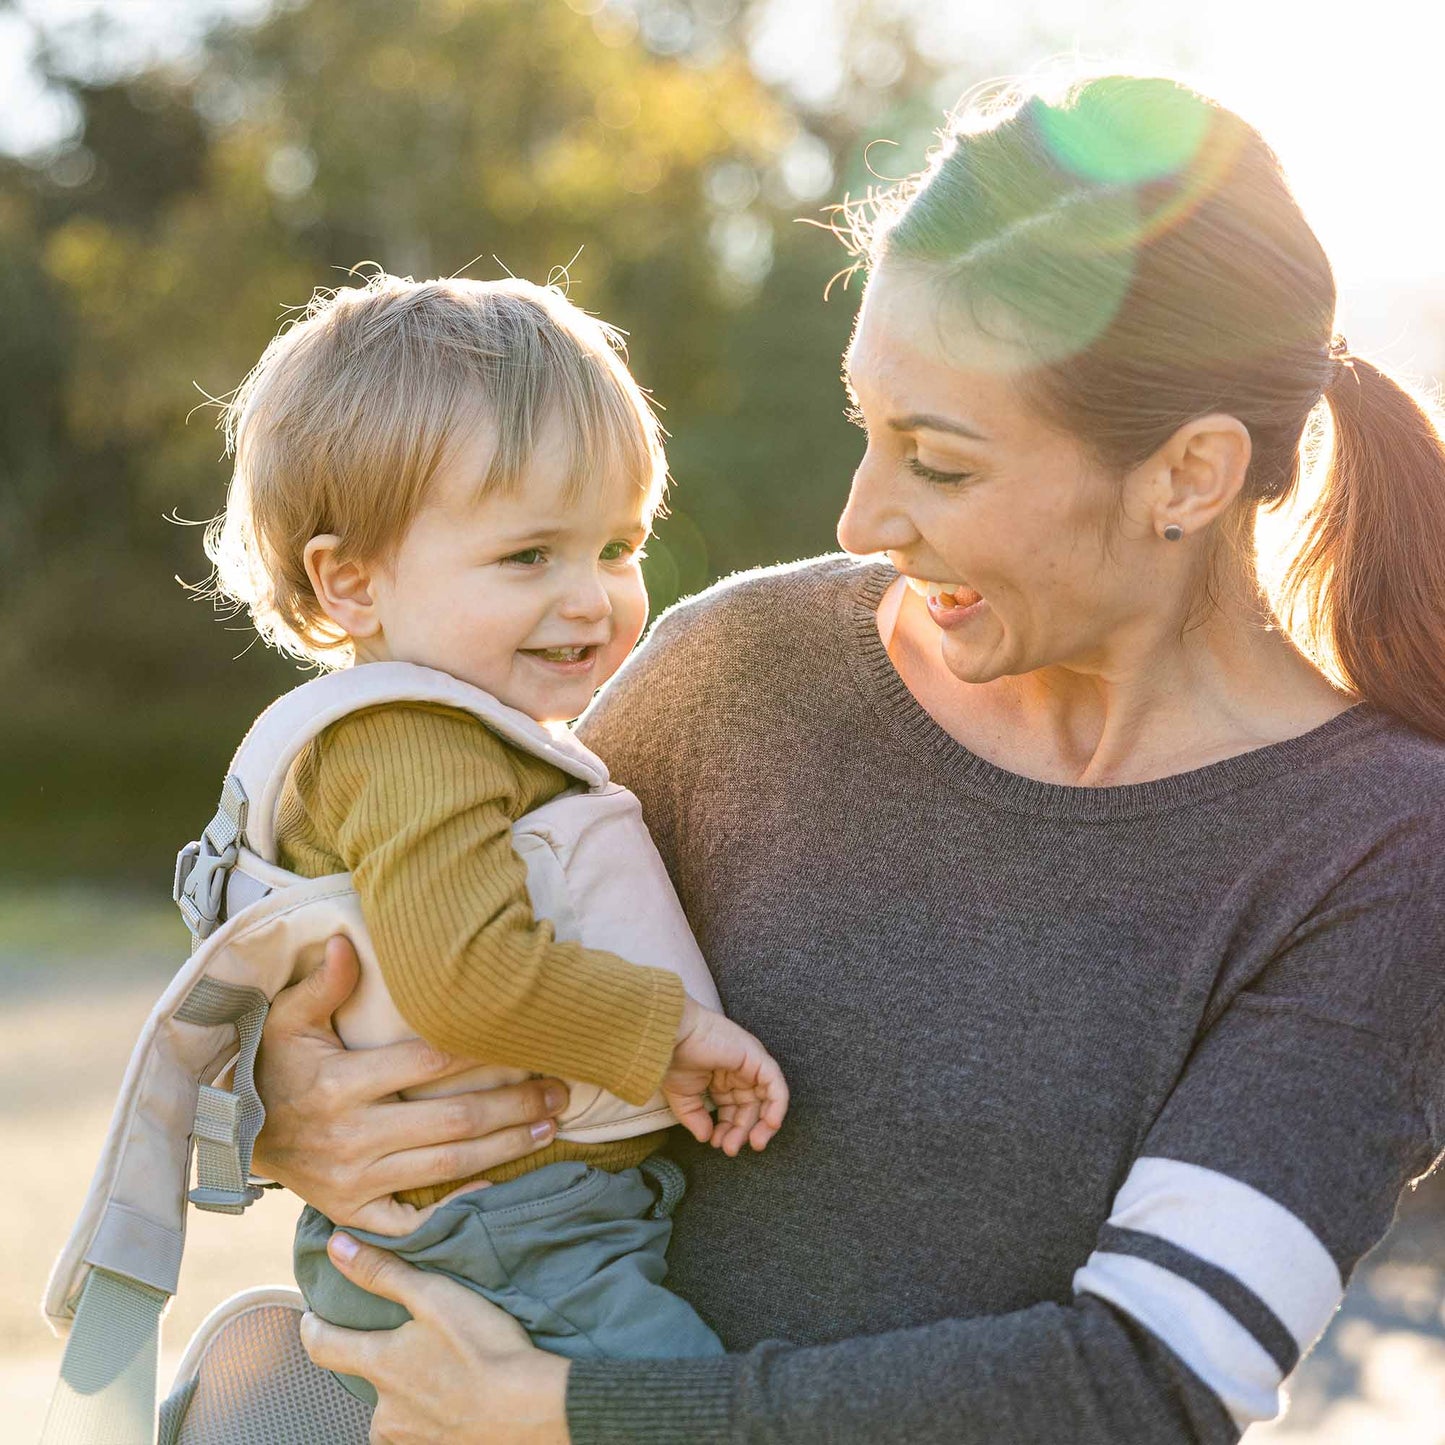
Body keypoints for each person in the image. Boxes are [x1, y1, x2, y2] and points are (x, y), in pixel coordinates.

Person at [249, 73, 1445, 1444]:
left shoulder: (1385, 855)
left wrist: (587, 1414)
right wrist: (286, 1111)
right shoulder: (744, 671)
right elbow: (431, 954)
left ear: (1187, 475)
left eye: (936, 461)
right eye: (864, 424)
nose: (861, 514)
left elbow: (1149, 1383)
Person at [207, 272, 789, 1405]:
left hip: (515, 1225)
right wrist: (669, 1037)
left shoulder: (472, 737)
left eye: (615, 547)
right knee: (673, 1405)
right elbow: (461, 978)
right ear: (351, 580)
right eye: (529, 557)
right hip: (503, 1239)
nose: (591, 598)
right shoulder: (413, 744)